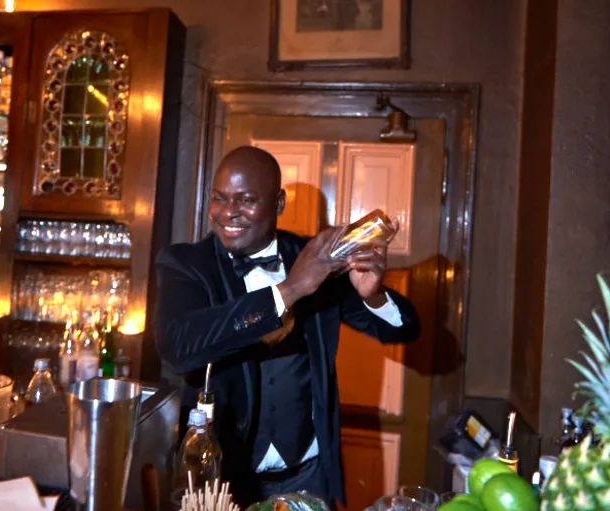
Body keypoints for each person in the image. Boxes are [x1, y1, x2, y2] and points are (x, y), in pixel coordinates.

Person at [154, 146, 420, 507]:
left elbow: (402, 330)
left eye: (247, 200)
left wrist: (372, 295)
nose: (229, 212)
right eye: (219, 198)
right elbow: (177, 347)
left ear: (278, 203)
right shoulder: (187, 264)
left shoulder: (313, 256)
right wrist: (291, 288)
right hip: (224, 479)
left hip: (309, 474)